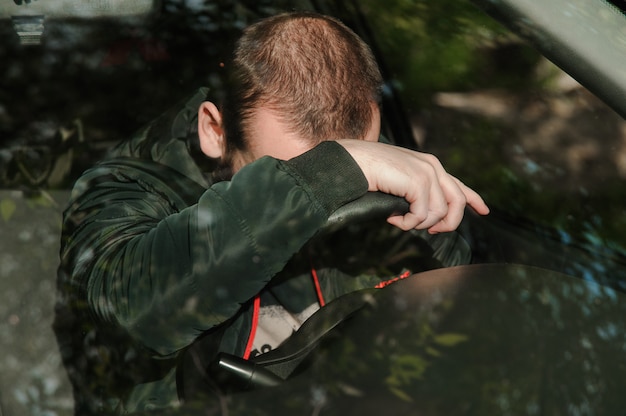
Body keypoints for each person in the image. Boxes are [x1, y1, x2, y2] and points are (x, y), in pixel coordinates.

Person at [54, 11, 489, 415]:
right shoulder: (128, 187)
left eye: (356, 160)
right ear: (214, 130)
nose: (337, 190)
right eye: (288, 170)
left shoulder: (385, 171)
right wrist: (328, 173)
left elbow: (447, 337)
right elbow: (126, 310)